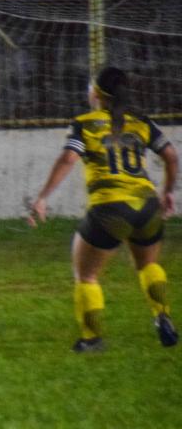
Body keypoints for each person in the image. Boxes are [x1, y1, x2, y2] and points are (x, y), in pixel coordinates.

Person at [28, 66, 177, 352]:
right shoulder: (141, 122)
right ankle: (162, 315)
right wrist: (167, 192)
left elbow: (68, 159)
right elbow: (170, 155)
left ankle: (92, 339)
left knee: (87, 276)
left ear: (95, 93)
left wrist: (43, 197)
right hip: (146, 206)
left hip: (109, 208)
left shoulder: (86, 123)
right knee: (148, 265)